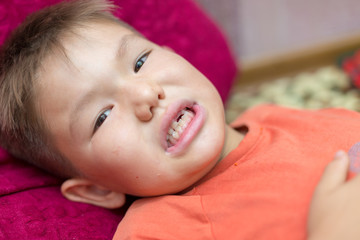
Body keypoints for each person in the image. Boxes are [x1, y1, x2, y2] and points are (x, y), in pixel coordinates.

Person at [1, 0, 360, 239]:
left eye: (140, 62)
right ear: (96, 188)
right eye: (102, 116)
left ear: (173, 55)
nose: (145, 95)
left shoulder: (276, 117)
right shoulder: (159, 230)